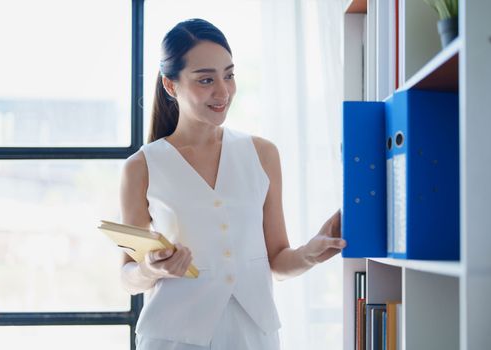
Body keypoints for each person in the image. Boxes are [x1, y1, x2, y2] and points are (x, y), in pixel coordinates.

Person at [119, 18, 347, 350]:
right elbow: (127, 277)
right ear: (171, 86)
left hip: (253, 335)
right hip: (173, 338)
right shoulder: (141, 166)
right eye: (206, 80)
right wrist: (151, 268)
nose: (223, 91)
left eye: (229, 75)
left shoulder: (262, 154)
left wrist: (310, 253)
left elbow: (277, 261)